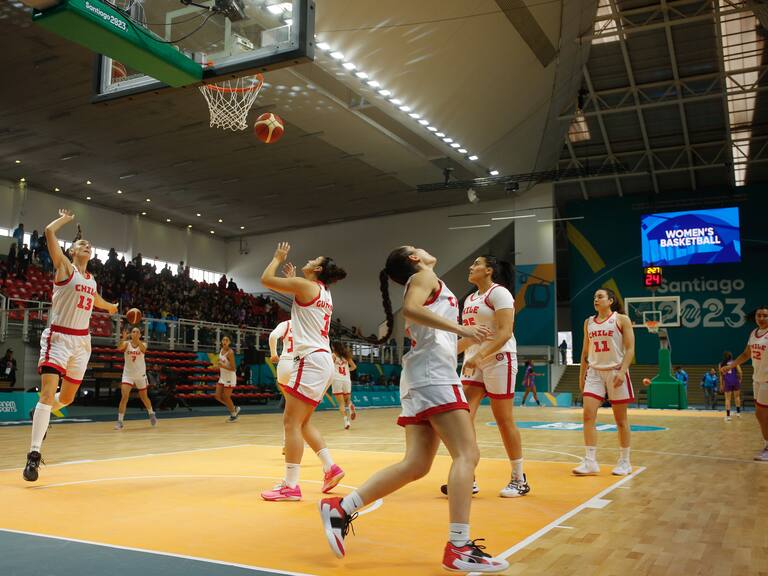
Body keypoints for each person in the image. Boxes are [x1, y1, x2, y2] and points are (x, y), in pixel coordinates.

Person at [319, 246, 508, 573]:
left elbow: (437, 337)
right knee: (467, 454)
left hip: (423, 375)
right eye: (416, 248)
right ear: (414, 259)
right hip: (433, 376)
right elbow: (410, 310)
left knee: (416, 464)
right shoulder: (424, 276)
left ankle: (341, 508)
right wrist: (464, 329)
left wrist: (469, 343)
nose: (423, 249)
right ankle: (459, 547)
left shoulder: (429, 281)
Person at [24, 209, 118, 482]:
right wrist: (64, 219)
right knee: (47, 394)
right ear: (72, 251)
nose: (86, 246)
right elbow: (49, 232)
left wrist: (110, 306)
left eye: (88, 245)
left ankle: (41, 411)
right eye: (81, 244)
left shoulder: (91, 279)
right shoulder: (65, 267)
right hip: (60, 338)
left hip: (82, 342)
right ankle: (33, 455)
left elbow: (95, 297)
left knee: (66, 399)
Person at [260, 242, 347, 502]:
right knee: (303, 422)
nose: (308, 259)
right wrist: (292, 281)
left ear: (317, 268)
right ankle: (330, 467)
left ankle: (290, 485)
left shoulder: (306, 285)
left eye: (314, 258)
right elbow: (303, 304)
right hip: (321, 361)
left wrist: (276, 258)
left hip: (309, 361)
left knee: (290, 422)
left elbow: (265, 280)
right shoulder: (323, 291)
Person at [447, 254, 530, 498]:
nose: (470, 267)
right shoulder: (470, 299)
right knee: (462, 418)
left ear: (489, 270)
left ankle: (519, 478)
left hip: (498, 358)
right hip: (474, 360)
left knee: (503, 419)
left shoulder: (500, 293)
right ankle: (467, 476)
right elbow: (470, 336)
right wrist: (448, 353)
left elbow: (504, 333)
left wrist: (479, 355)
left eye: (476, 264)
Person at [573, 287, 635, 477]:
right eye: (594, 297)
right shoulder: (588, 322)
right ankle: (590, 461)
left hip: (616, 371)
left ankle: (625, 461)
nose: (596, 299)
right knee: (587, 416)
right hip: (594, 372)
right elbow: (584, 352)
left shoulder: (621, 320)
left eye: (600, 296)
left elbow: (630, 348)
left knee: (621, 420)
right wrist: (581, 375)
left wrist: (623, 371)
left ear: (610, 300)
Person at [722, 305, 768, 461]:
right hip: (757, 378)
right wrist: (730, 366)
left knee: (762, 413)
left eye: (765, 315)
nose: (761, 318)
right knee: (761, 414)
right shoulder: (753, 333)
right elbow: (746, 354)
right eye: (759, 315)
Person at [115, 327, 157, 429]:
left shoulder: (143, 344)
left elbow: (143, 350)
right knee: (124, 396)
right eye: (133, 331)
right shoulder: (126, 344)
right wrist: (123, 338)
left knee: (144, 397)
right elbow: (118, 348)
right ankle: (120, 421)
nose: (135, 333)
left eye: (137, 332)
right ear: (131, 333)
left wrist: (136, 339)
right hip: (128, 375)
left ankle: (151, 413)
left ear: (140, 335)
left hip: (140, 375)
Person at [269, 318, 294, 454]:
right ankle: (292, 442)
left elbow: (273, 336)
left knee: (289, 407)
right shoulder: (307, 323)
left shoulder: (286, 323)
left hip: (284, 366)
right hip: (299, 366)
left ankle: (286, 443)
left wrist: (273, 354)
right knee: (299, 412)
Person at [331, 341, 357, 430]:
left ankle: (346, 422)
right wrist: (346, 370)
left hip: (337, 379)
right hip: (346, 379)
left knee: (341, 403)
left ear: (334, 347)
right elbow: (354, 367)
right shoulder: (346, 356)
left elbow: (329, 368)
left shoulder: (333, 356)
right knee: (347, 400)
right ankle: (350, 406)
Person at [214, 335, 240, 422]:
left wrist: (222, 366)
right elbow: (222, 362)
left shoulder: (230, 353)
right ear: (221, 341)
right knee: (217, 396)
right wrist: (217, 365)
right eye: (223, 339)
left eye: (227, 340)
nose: (225, 341)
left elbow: (233, 368)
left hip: (230, 377)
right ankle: (233, 408)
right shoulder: (221, 350)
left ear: (229, 342)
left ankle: (233, 415)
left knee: (226, 396)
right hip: (222, 377)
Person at [719, 352, 742, 421]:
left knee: (728, 399)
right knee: (737, 397)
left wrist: (721, 385)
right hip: (735, 381)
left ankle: (728, 416)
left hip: (727, 382)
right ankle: (738, 413)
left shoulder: (721, 364)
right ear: (731, 356)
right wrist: (740, 379)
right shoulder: (734, 362)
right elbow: (740, 371)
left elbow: (721, 375)